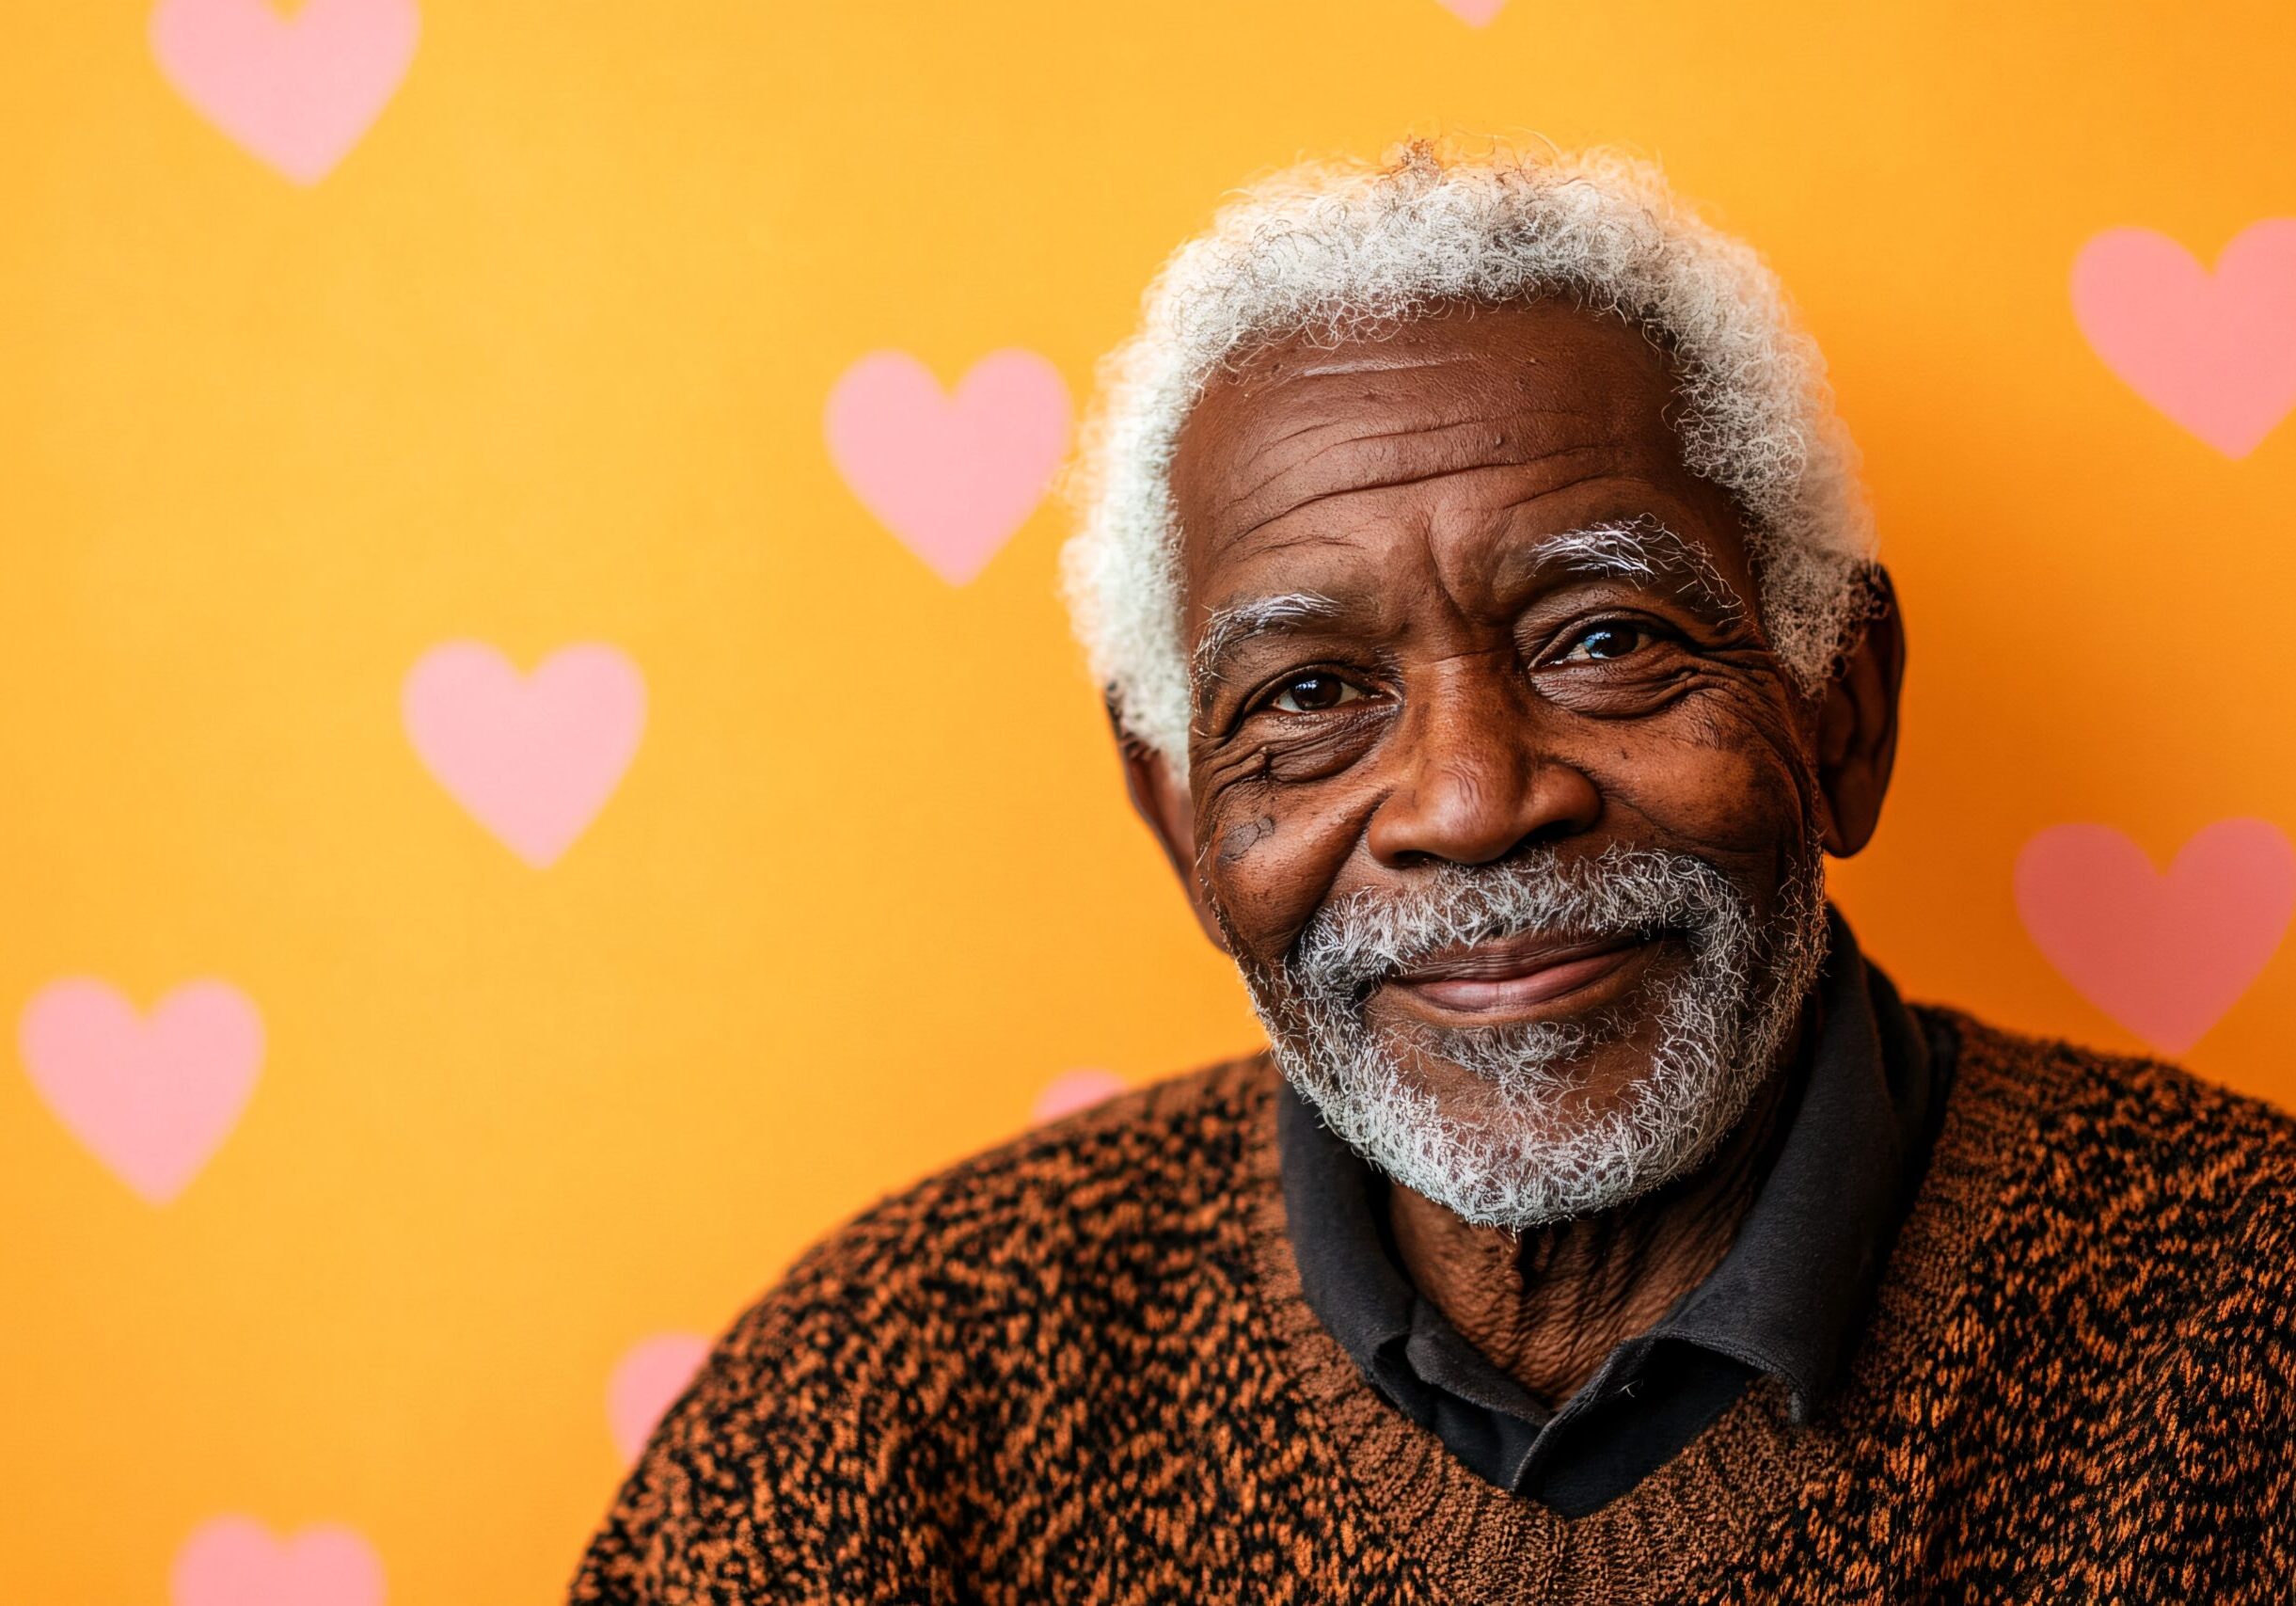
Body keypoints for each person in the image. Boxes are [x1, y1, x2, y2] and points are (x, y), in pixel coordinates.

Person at [569, 139, 2296, 1603]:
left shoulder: (2247, 1333)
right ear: (1181, 816)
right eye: (1309, 696)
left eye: (1605, 637)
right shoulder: (885, 1401)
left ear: (1840, 705)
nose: (1470, 804)